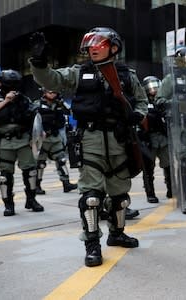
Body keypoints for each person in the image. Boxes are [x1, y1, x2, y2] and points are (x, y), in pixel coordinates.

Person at [29, 27, 148, 267]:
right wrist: (39, 62)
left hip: (120, 140)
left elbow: (142, 101)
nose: (93, 48)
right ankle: (92, 244)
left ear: (113, 48)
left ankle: (117, 233)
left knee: (120, 197)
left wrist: (138, 114)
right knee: (91, 197)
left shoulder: (127, 75)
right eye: (90, 45)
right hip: (90, 139)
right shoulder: (78, 73)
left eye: (100, 44)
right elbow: (51, 79)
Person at [0, 69, 44, 216]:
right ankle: (9, 204)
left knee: (31, 171)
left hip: (23, 139)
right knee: (4, 176)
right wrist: (6, 101)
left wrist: (39, 132)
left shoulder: (23, 99)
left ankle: (31, 200)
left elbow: (34, 115)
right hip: (4, 142)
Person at [155, 46, 186, 214]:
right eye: (185, 59)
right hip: (179, 124)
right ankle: (185, 198)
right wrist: (175, 104)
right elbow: (159, 100)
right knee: (184, 161)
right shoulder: (170, 79)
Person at [33, 88, 78, 195]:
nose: (52, 94)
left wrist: (62, 103)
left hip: (55, 136)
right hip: (42, 137)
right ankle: (37, 185)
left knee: (61, 160)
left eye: (54, 92)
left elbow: (70, 112)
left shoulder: (59, 104)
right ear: (44, 92)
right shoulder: (37, 104)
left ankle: (66, 183)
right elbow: (33, 119)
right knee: (40, 163)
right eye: (50, 92)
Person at [140, 75, 172, 203]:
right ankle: (150, 193)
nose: (154, 90)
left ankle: (171, 189)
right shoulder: (143, 102)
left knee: (168, 165)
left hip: (163, 138)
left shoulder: (163, 101)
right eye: (150, 87)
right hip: (149, 139)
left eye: (155, 86)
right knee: (148, 168)